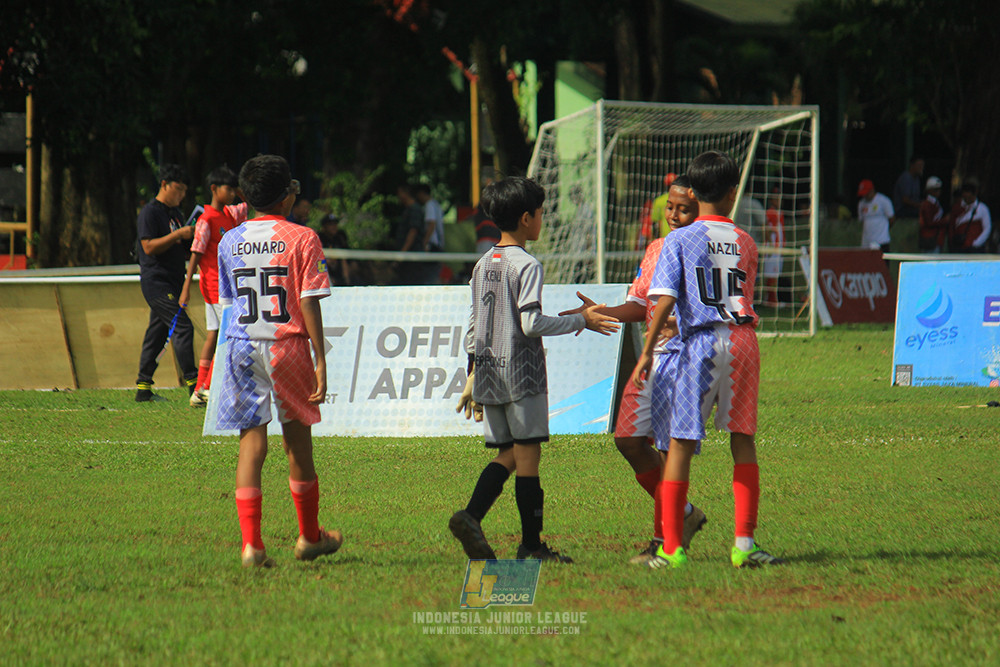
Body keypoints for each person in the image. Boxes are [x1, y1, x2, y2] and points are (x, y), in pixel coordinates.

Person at [449, 176, 620, 563]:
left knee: (510, 453)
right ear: (526, 218)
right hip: (522, 374)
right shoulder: (526, 264)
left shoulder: (482, 263)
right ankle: (521, 541)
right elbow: (530, 323)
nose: (543, 220)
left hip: (490, 373)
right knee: (526, 458)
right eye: (541, 213)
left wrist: (472, 374)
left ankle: (479, 520)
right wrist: (582, 321)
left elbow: (475, 326)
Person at [631, 150, 783, 570]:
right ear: (733, 193)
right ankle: (745, 544)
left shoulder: (677, 240)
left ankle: (672, 549)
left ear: (694, 194)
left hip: (697, 343)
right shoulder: (747, 242)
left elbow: (665, 299)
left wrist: (646, 351)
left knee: (679, 444)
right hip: (742, 340)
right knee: (743, 441)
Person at [560, 175, 706, 565]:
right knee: (627, 439)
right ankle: (686, 514)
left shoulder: (707, 249)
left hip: (683, 359)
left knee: (665, 447)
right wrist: (597, 313)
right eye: (670, 208)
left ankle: (664, 541)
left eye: (684, 209)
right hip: (651, 358)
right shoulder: (657, 249)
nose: (674, 215)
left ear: (700, 209)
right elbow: (642, 304)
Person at [216, 155, 342, 568]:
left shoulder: (228, 241)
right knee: (297, 445)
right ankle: (308, 537)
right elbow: (308, 300)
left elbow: (228, 304)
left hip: (241, 345)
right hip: (286, 346)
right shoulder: (303, 237)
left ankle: (252, 545)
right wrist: (321, 357)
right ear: (287, 195)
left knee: (251, 446)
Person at [179, 165, 249, 407]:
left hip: (226, 286)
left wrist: (239, 190)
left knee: (214, 334)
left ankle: (199, 390)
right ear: (213, 189)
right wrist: (186, 286)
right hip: (213, 285)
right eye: (227, 189)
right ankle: (208, 386)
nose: (231, 193)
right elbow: (196, 254)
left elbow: (251, 204)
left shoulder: (229, 215)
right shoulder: (206, 220)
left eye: (233, 189)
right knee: (228, 334)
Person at [134, 164, 198, 402]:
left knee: (158, 333)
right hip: (156, 282)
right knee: (183, 327)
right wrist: (177, 235)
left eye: (184, 191)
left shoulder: (176, 214)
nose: (181, 195)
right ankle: (194, 385)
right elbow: (148, 247)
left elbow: (181, 249)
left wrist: (190, 238)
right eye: (178, 189)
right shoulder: (150, 212)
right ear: (164, 185)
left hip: (174, 281)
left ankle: (143, 388)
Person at [394, 184, 426, 284]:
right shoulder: (409, 209)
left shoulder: (414, 210)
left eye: (399, 193)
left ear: (405, 193)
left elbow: (413, 232)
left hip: (412, 258)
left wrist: (402, 254)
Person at [415, 183, 444, 283]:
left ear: (421, 193)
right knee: (435, 273)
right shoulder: (436, 204)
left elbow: (431, 224)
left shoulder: (429, 205)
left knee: (429, 276)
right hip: (439, 244)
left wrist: (424, 242)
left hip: (432, 245)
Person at [856, 179, 895, 253]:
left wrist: (883, 230)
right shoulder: (861, 204)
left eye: (867, 193)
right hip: (866, 242)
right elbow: (861, 221)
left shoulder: (883, 201)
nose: (865, 196)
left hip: (882, 241)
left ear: (872, 190)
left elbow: (891, 218)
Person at [762, 185, 785, 306]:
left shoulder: (780, 213)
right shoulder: (770, 212)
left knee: (776, 273)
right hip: (772, 248)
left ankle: (771, 298)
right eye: (776, 198)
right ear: (771, 199)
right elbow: (766, 227)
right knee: (771, 273)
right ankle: (770, 299)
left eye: (780, 198)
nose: (779, 200)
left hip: (779, 248)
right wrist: (770, 244)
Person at [953, 182, 992, 253]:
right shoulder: (958, 208)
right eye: (964, 196)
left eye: (968, 195)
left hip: (975, 249)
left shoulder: (982, 208)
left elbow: (987, 228)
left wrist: (976, 243)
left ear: (974, 194)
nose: (965, 198)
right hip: (959, 248)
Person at [318, 213, 351, 286]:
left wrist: (346, 279)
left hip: (338, 274)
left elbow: (344, 260)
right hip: (325, 275)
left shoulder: (339, 238)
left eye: (335, 224)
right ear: (324, 226)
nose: (334, 227)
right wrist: (324, 278)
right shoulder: (319, 239)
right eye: (330, 224)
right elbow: (318, 260)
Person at [918, 176, 948, 253]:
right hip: (930, 239)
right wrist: (945, 220)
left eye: (939, 189)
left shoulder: (935, 203)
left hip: (937, 238)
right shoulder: (927, 204)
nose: (938, 192)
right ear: (929, 190)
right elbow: (929, 222)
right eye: (935, 190)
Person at [893, 156, 924, 221]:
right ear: (912, 165)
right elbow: (905, 200)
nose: (921, 167)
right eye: (919, 165)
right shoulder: (906, 178)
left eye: (922, 165)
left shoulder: (917, 178)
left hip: (912, 209)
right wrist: (919, 205)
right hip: (902, 210)